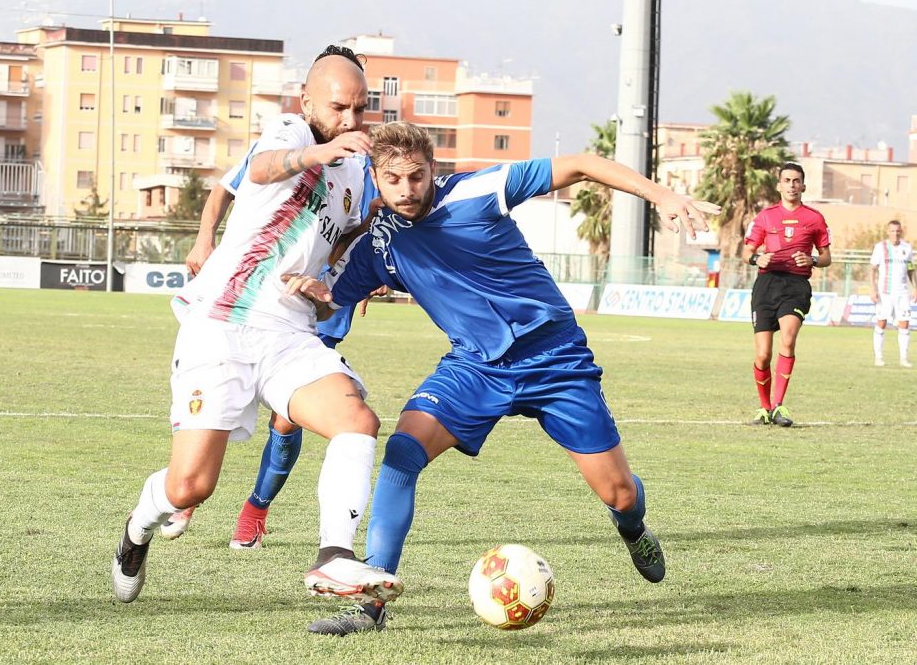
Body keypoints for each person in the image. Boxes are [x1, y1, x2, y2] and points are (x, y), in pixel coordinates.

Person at [279, 121, 719, 635]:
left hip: (555, 358)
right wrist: (311, 287)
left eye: (416, 177)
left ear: (432, 170)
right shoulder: (379, 244)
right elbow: (334, 297)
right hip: (475, 367)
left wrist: (659, 192)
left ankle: (632, 527)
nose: (406, 189)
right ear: (376, 177)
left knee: (619, 492)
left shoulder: (478, 191)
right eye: (393, 179)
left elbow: (580, 163)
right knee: (402, 451)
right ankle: (371, 604)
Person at [111, 46, 403, 607]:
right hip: (222, 322)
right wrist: (322, 149)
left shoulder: (358, 176)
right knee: (189, 487)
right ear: (308, 100)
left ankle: (334, 556)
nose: (351, 121)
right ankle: (137, 529)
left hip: (288, 332)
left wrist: (343, 274)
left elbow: (332, 259)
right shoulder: (290, 131)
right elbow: (264, 170)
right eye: (340, 107)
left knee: (357, 420)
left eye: (360, 111)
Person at [159, 143, 381, 550]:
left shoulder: (373, 169)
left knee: (288, 420)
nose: (351, 118)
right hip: (254, 302)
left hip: (318, 305)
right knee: (199, 461)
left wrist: (372, 263)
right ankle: (183, 497)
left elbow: (349, 238)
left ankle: (255, 513)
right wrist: (204, 238)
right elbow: (227, 186)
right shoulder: (294, 140)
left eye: (359, 108)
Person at [742, 163, 831, 427]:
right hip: (766, 285)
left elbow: (827, 257)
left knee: (788, 341)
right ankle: (764, 407)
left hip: (795, 286)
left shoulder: (814, 218)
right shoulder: (765, 217)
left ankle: (779, 405)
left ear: (803, 186)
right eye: (787, 180)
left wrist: (812, 260)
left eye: (796, 181)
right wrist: (758, 258)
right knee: (762, 355)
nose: (791, 185)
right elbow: (746, 251)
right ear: (779, 185)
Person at [869, 220, 916, 368]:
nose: (895, 234)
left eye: (897, 231)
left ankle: (903, 358)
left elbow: (910, 269)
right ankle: (879, 357)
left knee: (904, 324)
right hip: (885, 293)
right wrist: (873, 289)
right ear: (887, 232)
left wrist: (915, 287)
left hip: (902, 292)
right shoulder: (880, 248)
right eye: (892, 231)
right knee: (881, 322)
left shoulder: (907, 248)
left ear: (900, 232)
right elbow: (872, 269)